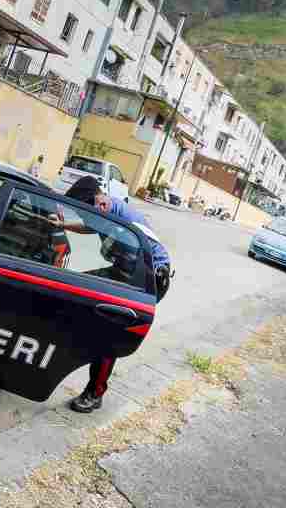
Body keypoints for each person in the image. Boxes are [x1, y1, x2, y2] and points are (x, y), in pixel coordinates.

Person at [58, 177, 172, 414]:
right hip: (130, 267)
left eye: (86, 212)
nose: (85, 217)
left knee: (108, 333)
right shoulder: (109, 209)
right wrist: (66, 225)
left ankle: (94, 393)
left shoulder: (124, 224)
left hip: (149, 278)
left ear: (99, 204)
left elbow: (126, 266)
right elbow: (92, 230)